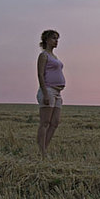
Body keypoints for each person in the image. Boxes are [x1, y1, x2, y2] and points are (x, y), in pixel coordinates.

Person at [36, 29, 66, 158]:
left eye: (57, 39)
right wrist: (45, 93)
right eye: (54, 38)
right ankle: (42, 152)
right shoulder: (44, 55)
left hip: (58, 92)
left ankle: (44, 149)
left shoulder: (55, 57)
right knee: (45, 122)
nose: (56, 41)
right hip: (48, 90)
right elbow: (40, 75)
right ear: (47, 40)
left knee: (55, 122)